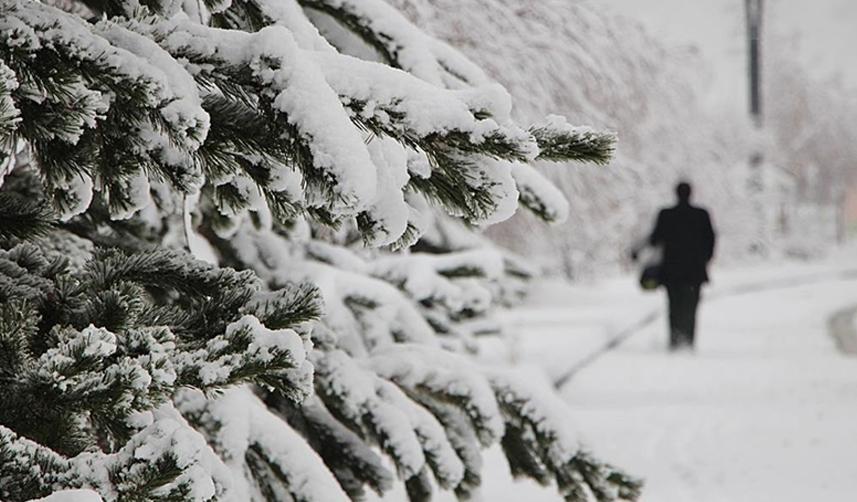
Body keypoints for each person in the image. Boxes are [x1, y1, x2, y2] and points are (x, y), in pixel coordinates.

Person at [648, 182, 716, 350]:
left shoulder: (666, 214)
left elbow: (655, 239)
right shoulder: (701, 215)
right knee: (691, 307)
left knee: (674, 306)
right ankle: (688, 341)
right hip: (695, 271)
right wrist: (704, 260)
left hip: (671, 271)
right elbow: (711, 240)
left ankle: (675, 340)